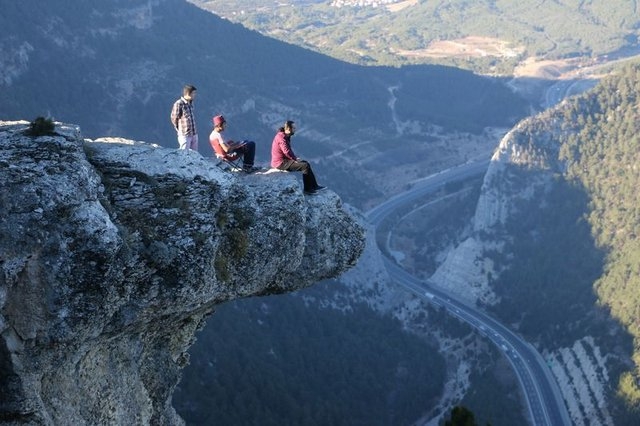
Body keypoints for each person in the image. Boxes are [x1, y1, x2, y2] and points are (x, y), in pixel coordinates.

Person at [270, 120, 325, 195]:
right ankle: (307, 189)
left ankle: (314, 186)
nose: (295, 130)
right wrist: (294, 159)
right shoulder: (281, 138)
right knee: (304, 166)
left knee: (305, 163)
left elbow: (287, 151)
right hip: (280, 163)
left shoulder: (284, 135)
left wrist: (294, 159)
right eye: (294, 128)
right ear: (289, 129)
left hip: (284, 161)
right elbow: (286, 151)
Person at [170, 84, 198, 151]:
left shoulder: (190, 103)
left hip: (194, 133)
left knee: (195, 155)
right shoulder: (179, 103)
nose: (195, 95)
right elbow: (174, 118)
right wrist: (180, 129)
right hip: (185, 134)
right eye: (193, 93)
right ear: (188, 93)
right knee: (184, 153)